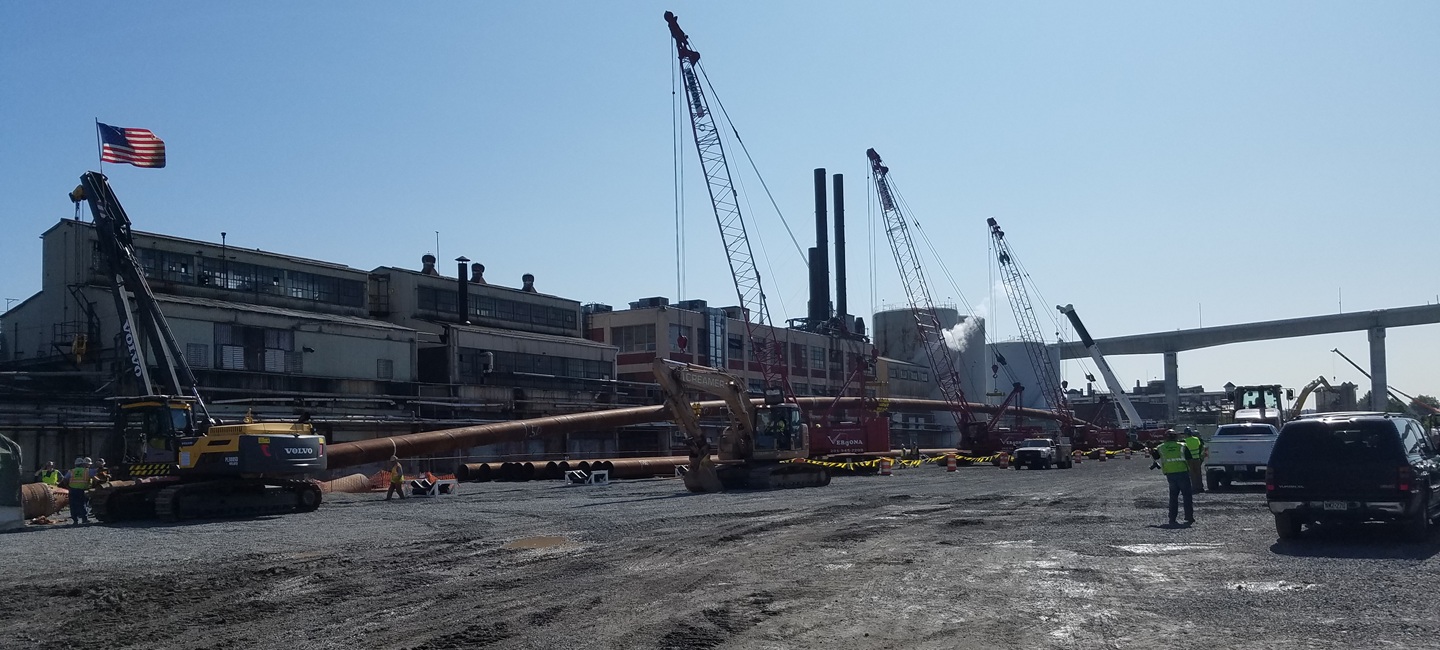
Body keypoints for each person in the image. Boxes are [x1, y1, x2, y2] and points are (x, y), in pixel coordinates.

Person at [1154, 431, 1195, 525]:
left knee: (1173, 497)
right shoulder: (1182, 446)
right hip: (1182, 473)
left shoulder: (1161, 447)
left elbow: (1155, 456)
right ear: (1176, 437)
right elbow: (1190, 458)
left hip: (1170, 474)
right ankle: (1189, 517)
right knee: (1187, 496)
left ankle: (1172, 518)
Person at [64, 457, 92, 525]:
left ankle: (75, 520)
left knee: (73, 505)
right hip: (82, 490)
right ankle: (84, 519)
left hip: (72, 490)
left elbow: (65, 479)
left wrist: (67, 487)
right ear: (82, 464)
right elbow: (94, 476)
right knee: (82, 504)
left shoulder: (71, 471)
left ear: (75, 464)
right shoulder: (86, 471)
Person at [1183, 428, 1205, 493]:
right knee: (1198, 474)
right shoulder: (1196, 439)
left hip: (1189, 459)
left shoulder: (1184, 441)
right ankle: (1200, 487)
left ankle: (1195, 487)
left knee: (1192, 474)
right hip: (1197, 459)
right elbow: (1201, 447)